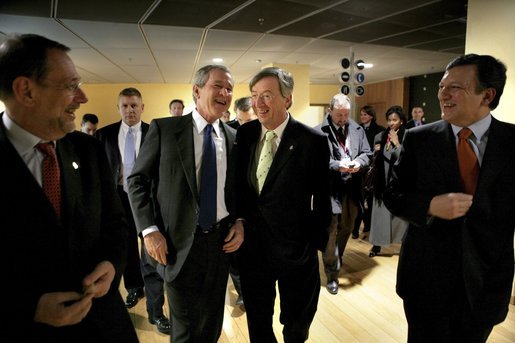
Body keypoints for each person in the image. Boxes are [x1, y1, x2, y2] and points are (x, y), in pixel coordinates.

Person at [0, 33, 138, 342]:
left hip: (104, 323)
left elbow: (115, 223)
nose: (83, 98)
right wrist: (27, 308)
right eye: (70, 86)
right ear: (26, 90)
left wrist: (112, 264)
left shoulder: (87, 149)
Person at [384, 54, 515, 342]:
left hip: (486, 282)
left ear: (488, 95)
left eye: (455, 87)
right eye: (442, 86)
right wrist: (428, 206)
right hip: (426, 279)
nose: (443, 94)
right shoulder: (419, 139)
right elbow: (392, 194)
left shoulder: (512, 143)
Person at [127, 65, 243, 343]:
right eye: (218, 86)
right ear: (196, 90)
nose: (225, 93)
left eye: (229, 89)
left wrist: (240, 222)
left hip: (219, 245)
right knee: (186, 330)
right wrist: (149, 230)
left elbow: (236, 191)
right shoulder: (165, 129)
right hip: (176, 246)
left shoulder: (232, 138)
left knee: (212, 324)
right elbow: (136, 181)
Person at [231, 67, 331, 342]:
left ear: (287, 99)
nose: (258, 103)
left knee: (296, 326)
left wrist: (314, 245)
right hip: (252, 250)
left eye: (267, 96)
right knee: (258, 323)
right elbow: (238, 188)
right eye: (254, 96)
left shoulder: (313, 141)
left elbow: (323, 199)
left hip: (296, 252)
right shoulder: (246, 134)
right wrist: (239, 221)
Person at [95, 87, 170, 334]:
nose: (130, 110)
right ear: (118, 108)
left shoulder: (155, 133)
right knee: (125, 248)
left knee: (152, 254)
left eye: (134, 105)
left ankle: (155, 310)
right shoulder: (104, 135)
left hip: (148, 201)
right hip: (118, 199)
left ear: (142, 107)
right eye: (125, 106)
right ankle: (134, 288)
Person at [315, 93, 371, 295]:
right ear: (330, 111)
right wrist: (338, 165)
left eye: (346, 114)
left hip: (352, 189)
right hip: (330, 189)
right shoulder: (318, 132)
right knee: (330, 232)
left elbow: (367, 153)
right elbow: (317, 162)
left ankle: (336, 258)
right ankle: (331, 273)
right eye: (339, 114)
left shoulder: (357, 129)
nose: (343, 119)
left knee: (347, 227)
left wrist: (358, 163)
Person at [368, 106, 408, 257]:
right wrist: (376, 152)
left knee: (400, 217)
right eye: (389, 120)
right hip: (382, 180)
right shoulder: (380, 136)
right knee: (379, 214)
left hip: (399, 180)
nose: (391, 123)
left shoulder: (407, 136)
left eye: (395, 120)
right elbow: (374, 157)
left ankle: (403, 245)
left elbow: (406, 159)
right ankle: (376, 245)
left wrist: (397, 143)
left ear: (401, 121)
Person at [352, 105, 385, 239]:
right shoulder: (356, 129)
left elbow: (380, 151)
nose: (362, 117)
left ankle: (368, 226)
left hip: (373, 170)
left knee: (370, 201)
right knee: (358, 200)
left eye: (365, 114)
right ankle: (355, 229)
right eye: (361, 114)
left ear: (371, 116)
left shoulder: (380, 131)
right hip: (359, 168)